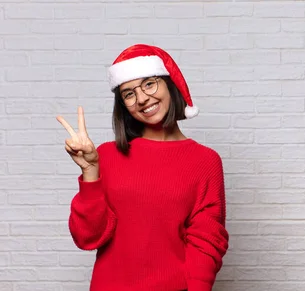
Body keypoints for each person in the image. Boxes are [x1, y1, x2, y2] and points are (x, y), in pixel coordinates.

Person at [56, 44, 229, 291]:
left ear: (169, 84)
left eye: (149, 83)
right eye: (128, 93)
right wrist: (90, 172)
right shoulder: (105, 155)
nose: (142, 98)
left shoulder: (205, 161)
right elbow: (87, 237)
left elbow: (206, 241)